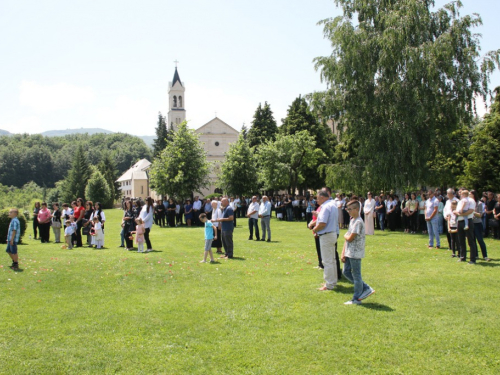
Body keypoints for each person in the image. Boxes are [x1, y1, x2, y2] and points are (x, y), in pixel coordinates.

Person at [341, 199, 375, 305]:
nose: (348, 211)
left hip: (355, 253)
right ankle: (366, 288)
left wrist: (345, 236)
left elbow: (349, 237)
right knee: (346, 272)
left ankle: (356, 299)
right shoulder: (352, 220)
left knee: (356, 276)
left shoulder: (359, 222)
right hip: (349, 252)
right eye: (347, 209)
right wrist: (343, 252)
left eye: (350, 209)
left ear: (356, 209)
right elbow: (347, 236)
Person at [311, 190, 338, 291]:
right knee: (332, 260)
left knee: (327, 261)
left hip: (326, 235)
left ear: (322, 197)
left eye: (318, 198)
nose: (317, 200)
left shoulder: (325, 206)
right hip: (332, 233)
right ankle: (332, 281)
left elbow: (322, 223)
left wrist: (315, 229)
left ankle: (329, 284)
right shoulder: (332, 204)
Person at [454, 190, 478, 264]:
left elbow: (471, 211)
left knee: (470, 240)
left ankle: (472, 259)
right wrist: (456, 213)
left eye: (462, 193)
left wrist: (461, 214)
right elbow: (456, 211)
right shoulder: (460, 201)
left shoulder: (471, 201)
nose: (460, 194)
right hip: (460, 221)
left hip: (468, 220)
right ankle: (463, 256)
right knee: (461, 240)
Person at [470, 190, 490, 261]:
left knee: (480, 239)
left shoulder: (479, 203)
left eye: (471, 194)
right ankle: (476, 255)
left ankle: (485, 256)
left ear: (474, 195)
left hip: (477, 224)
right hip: (471, 223)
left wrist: (472, 211)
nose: (469, 196)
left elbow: (480, 215)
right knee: (473, 240)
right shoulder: (469, 203)